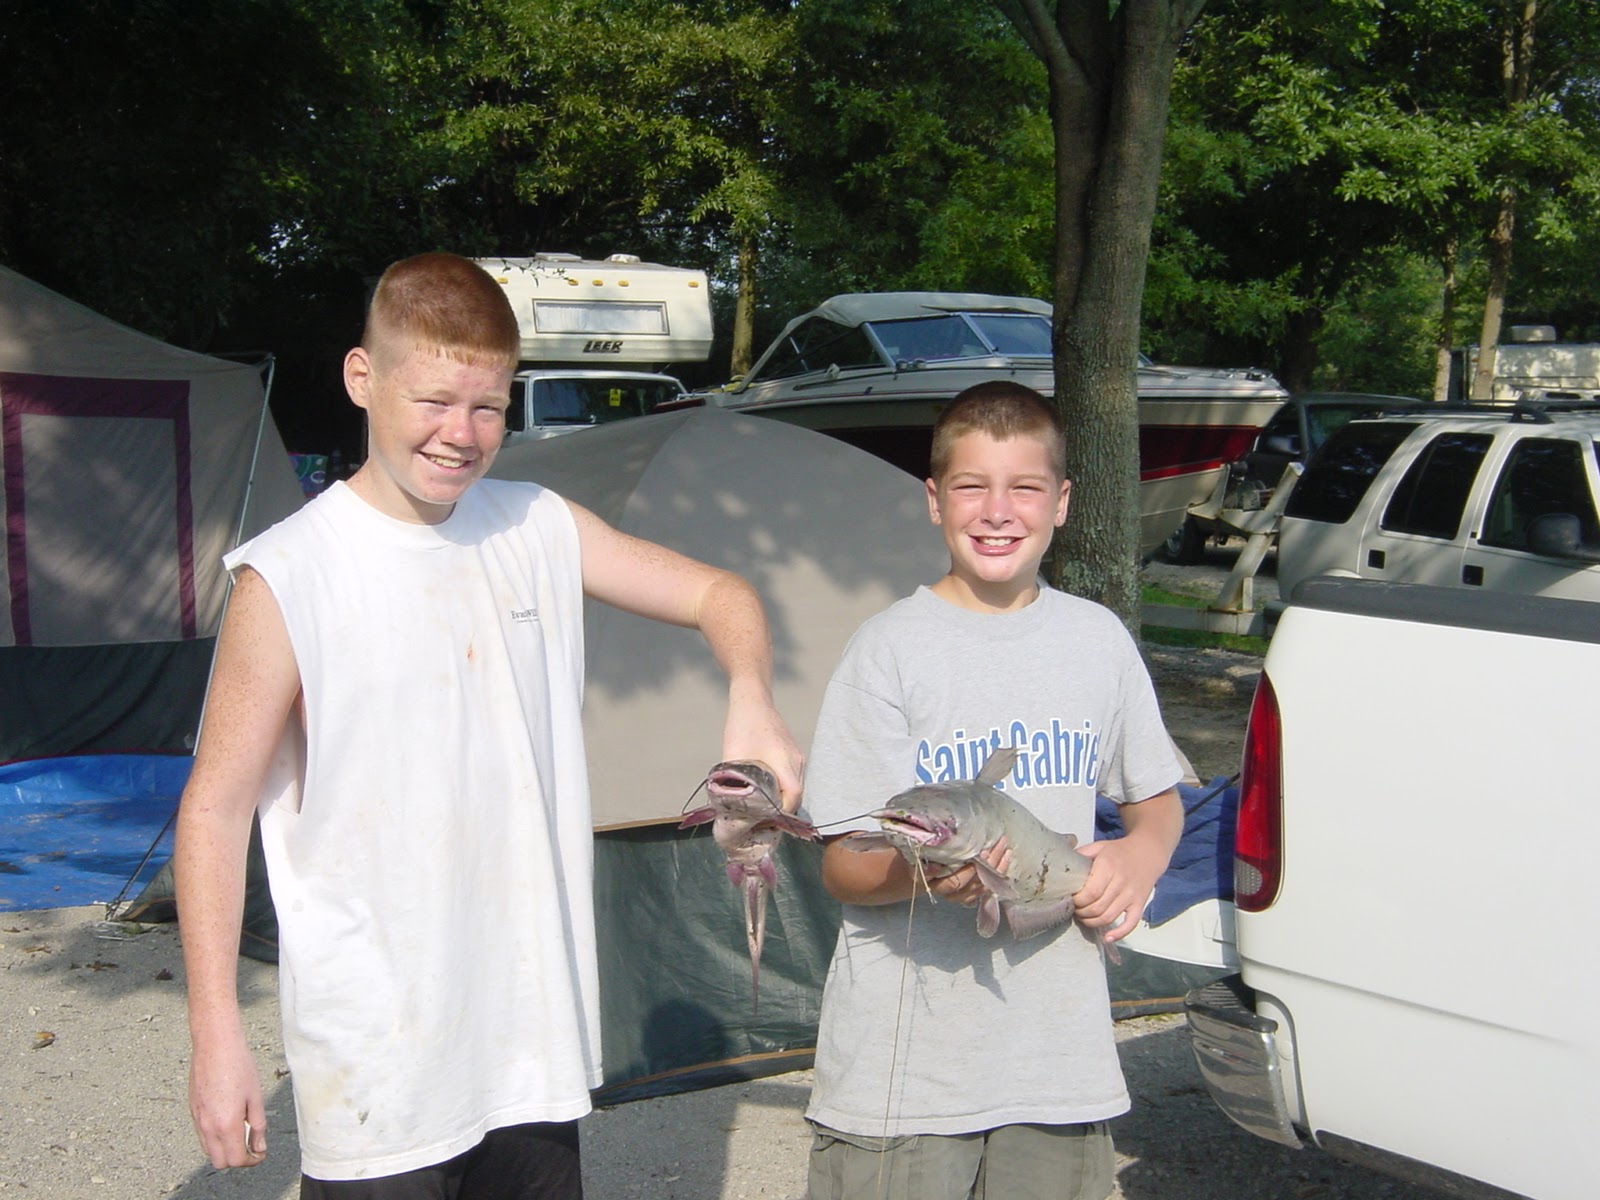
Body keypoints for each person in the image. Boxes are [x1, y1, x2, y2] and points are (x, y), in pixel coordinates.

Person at [174, 252, 804, 1198]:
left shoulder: (538, 524)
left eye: (488, 407)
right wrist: (217, 1037)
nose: (459, 436)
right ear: (362, 377)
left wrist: (751, 694)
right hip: (376, 1071)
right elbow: (212, 814)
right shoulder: (288, 577)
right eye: (432, 400)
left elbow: (724, 595)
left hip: (527, 1047)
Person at [802, 380, 1184, 1200]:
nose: (998, 511)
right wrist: (927, 874)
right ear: (934, 501)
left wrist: (1139, 860)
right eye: (972, 487)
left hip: (1059, 1070)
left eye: (1025, 488)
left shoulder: (1097, 641)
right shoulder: (888, 652)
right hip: (903, 1082)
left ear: (1064, 502)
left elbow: (1157, 804)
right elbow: (842, 866)